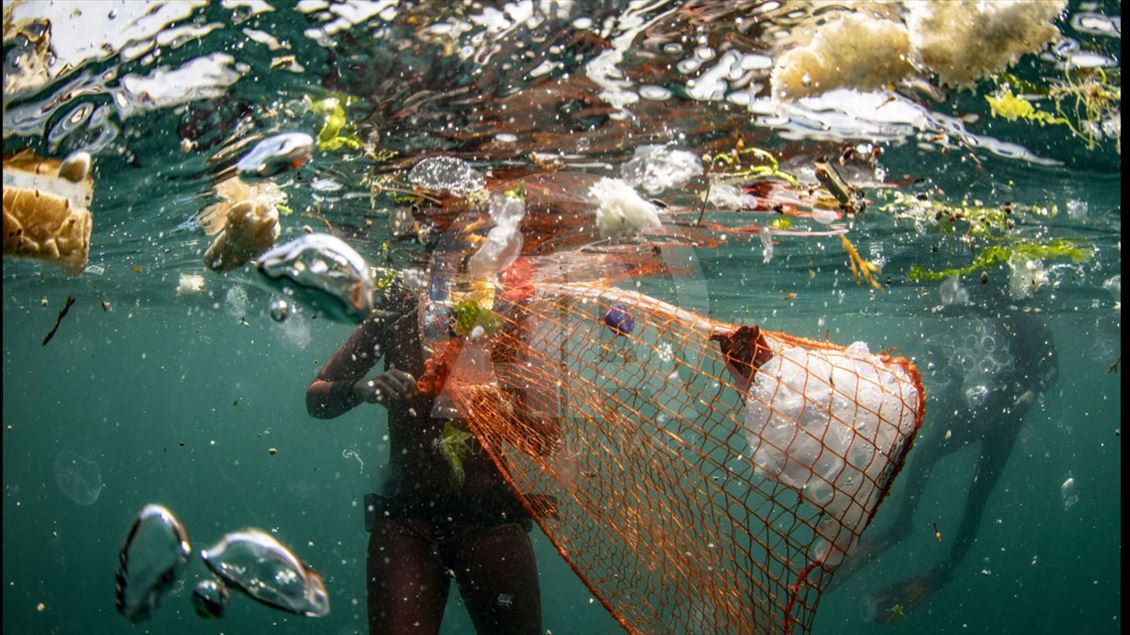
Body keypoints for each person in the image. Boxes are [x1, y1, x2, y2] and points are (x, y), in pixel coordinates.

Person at [306, 279, 543, 635]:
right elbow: (316, 399)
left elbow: (544, 438)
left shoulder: (511, 312)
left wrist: (500, 400)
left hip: (491, 518)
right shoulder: (397, 308)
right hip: (408, 519)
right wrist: (361, 389)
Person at [833, 310, 1058, 621]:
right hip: (977, 409)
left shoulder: (1025, 318)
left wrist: (1025, 398)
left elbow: (1050, 369)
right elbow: (948, 352)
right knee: (928, 459)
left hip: (1005, 419)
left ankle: (945, 566)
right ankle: (902, 526)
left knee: (976, 495)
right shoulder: (979, 310)